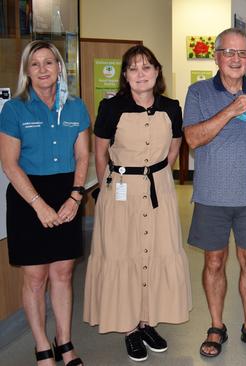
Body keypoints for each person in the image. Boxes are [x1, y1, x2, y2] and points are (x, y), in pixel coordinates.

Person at [83, 45, 191, 362]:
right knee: (124, 254)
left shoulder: (171, 107)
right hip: (120, 191)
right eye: (133, 68)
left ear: (157, 72)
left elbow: (173, 149)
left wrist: (154, 175)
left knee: (156, 253)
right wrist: (109, 190)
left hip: (159, 189)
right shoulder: (111, 107)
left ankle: (146, 322)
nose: (140, 74)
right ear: (125, 75)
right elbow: (100, 153)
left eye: (146, 67)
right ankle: (130, 328)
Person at [183, 27, 246, 358]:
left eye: (242, 54)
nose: (235, 59)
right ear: (217, 56)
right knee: (214, 262)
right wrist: (229, 110)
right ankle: (216, 325)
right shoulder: (198, 92)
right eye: (229, 52)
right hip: (211, 195)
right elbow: (193, 139)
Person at [0, 40, 89, 366]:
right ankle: (42, 346)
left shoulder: (77, 107)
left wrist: (75, 196)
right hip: (28, 197)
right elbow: (9, 164)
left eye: (48, 62)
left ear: (59, 68)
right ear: (27, 70)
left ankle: (64, 342)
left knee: (63, 273)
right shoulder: (14, 110)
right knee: (35, 277)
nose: (42, 70)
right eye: (34, 64)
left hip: (66, 193)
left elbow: (83, 155)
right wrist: (38, 204)